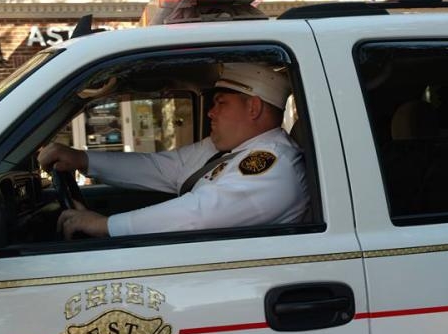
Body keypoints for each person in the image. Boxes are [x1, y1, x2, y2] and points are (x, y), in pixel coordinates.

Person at [38, 63, 308, 239]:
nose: (211, 112)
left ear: (254, 108)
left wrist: (103, 225)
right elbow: (161, 167)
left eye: (221, 103)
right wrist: (81, 159)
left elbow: (198, 215)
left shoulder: (274, 164)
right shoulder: (228, 149)